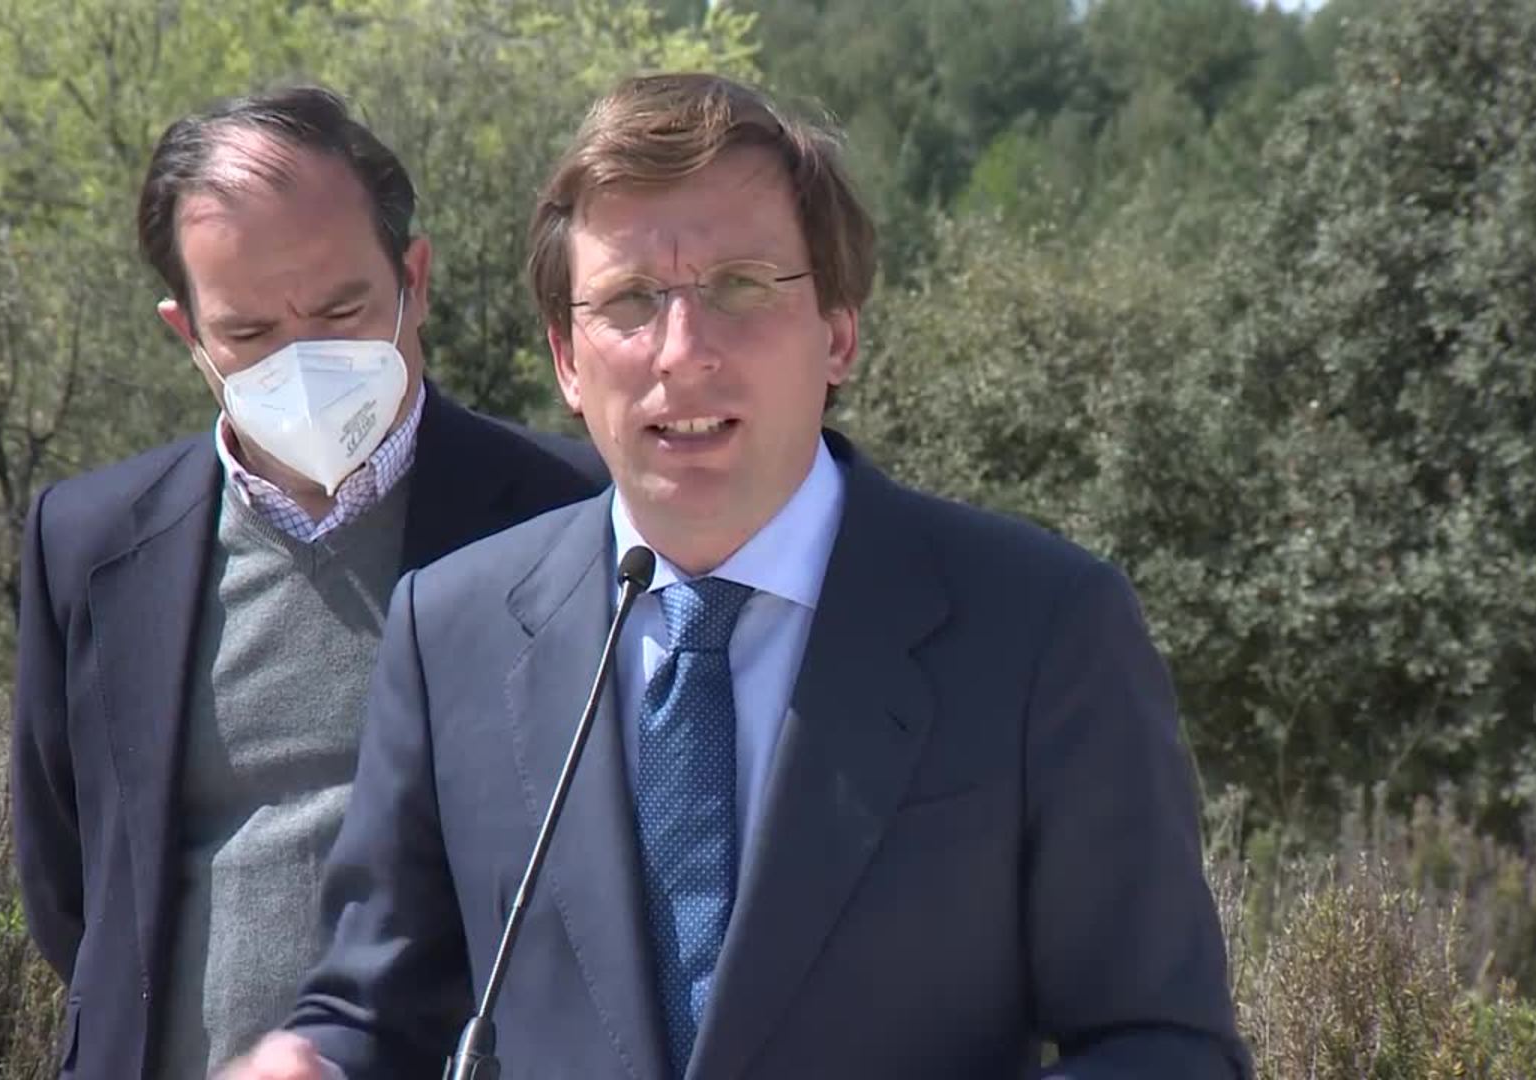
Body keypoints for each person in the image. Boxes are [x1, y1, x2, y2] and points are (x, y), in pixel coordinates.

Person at [225, 72, 1252, 1080]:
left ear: (838, 333)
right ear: (568, 360)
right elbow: (375, 1014)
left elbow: (1167, 1046)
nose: (683, 351)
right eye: (630, 301)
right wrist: (316, 1063)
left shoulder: (1038, 627)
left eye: (740, 288)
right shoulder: (451, 630)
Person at [10, 84, 606, 1079]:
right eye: (248, 333)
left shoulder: (574, 518)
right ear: (187, 334)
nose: (306, 363)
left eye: (341, 311)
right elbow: (70, 883)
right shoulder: (89, 543)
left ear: (414, 278)